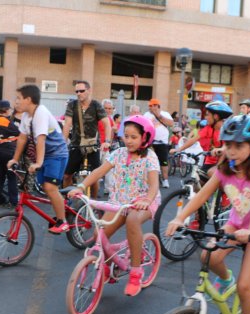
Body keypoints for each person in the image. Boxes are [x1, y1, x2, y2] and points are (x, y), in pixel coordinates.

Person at [166, 114, 250, 314]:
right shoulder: (224, 170)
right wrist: (179, 218)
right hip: (235, 225)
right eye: (228, 144)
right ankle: (225, 280)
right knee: (207, 256)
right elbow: (201, 196)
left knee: (246, 286)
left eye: (239, 146)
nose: (232, 150)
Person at [68, 115, 161, 297]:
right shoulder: (118, 153)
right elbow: (99, 171)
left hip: (142, 202)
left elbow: (154, 185)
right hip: (118, 202)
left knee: (133, 220)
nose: (129, 140)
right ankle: (110, 266)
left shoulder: (150, 157)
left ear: (145, 137)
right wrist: (81, 186)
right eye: (126, 136)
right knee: (98, 234)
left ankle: (135, 272)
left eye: (134, 137)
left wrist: (147, 201)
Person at [7, 84, 70, 234]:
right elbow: (22, 139)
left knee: (50, 187)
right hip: (45, 156)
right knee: (45, 188)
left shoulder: (40, 112)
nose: (16, 102)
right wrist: (14, 159)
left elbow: (40, 139)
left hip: (57, 155)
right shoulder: (26, 116)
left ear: (28, 99)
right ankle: (61, 209)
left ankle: (63, 221)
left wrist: (39, 163)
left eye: (18, 98)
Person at [62, 80, 112, 198]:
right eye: (77, 91)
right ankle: (66, 202)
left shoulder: (96, 105)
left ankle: (93, 203)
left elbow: (107, 124)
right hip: (76, 144)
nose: (79, 93)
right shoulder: (72, 105)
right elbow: (67, 124)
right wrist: (63, 142)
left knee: (94, 178)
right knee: (67, 176)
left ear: (89, 91)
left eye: (82, 91)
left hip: (92, 146)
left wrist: (107, 142)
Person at [0, 100, 19, 207]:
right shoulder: (6, 122)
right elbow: (19, 133)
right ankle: (13, 201)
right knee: (11, 176)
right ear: (5, 110)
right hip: (8, 152)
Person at [144, 98, 174, 188]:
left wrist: (158, 115)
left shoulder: (165, 114)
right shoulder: (146, 115)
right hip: (150, 142)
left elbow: (171, 123)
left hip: (162, 142)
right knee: (149, 161)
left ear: (158, 106)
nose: (151, 107)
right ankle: (148, 181)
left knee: (163, 162)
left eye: (153, 105)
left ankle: (165, 180)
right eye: (150, 106)